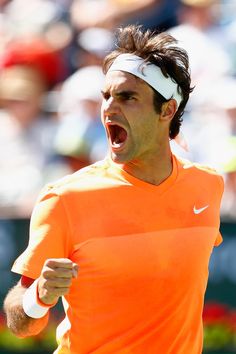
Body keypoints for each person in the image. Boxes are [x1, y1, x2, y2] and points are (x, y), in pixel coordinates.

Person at [3, 25, 224, 354]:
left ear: (167, 110)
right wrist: (38, 298)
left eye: (127, 97)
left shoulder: (208, 186)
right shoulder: (65, 197)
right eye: (106, 96)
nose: (108, 108)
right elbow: (19, 321)